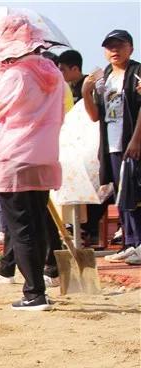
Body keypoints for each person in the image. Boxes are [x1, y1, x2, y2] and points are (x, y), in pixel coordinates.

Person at [0, 14, 65, 311]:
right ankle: (39, 285)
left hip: (15, 155)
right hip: (43, 155)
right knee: (37, 221)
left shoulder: (16, 75)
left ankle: (34, 293)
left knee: (21, 226)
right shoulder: (54, 74)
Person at [83, 29, 141, 265]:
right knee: (121, 194)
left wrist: (136, 139)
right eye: (110, 46)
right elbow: (96, 115)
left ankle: (138, 242)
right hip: (112, 144)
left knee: (135, 193)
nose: (114, 50)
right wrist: (86, 91)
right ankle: (129, 242)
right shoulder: (104, 77)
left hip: (131, 141)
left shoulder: (137, 73)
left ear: (131, 48)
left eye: (120, 45)